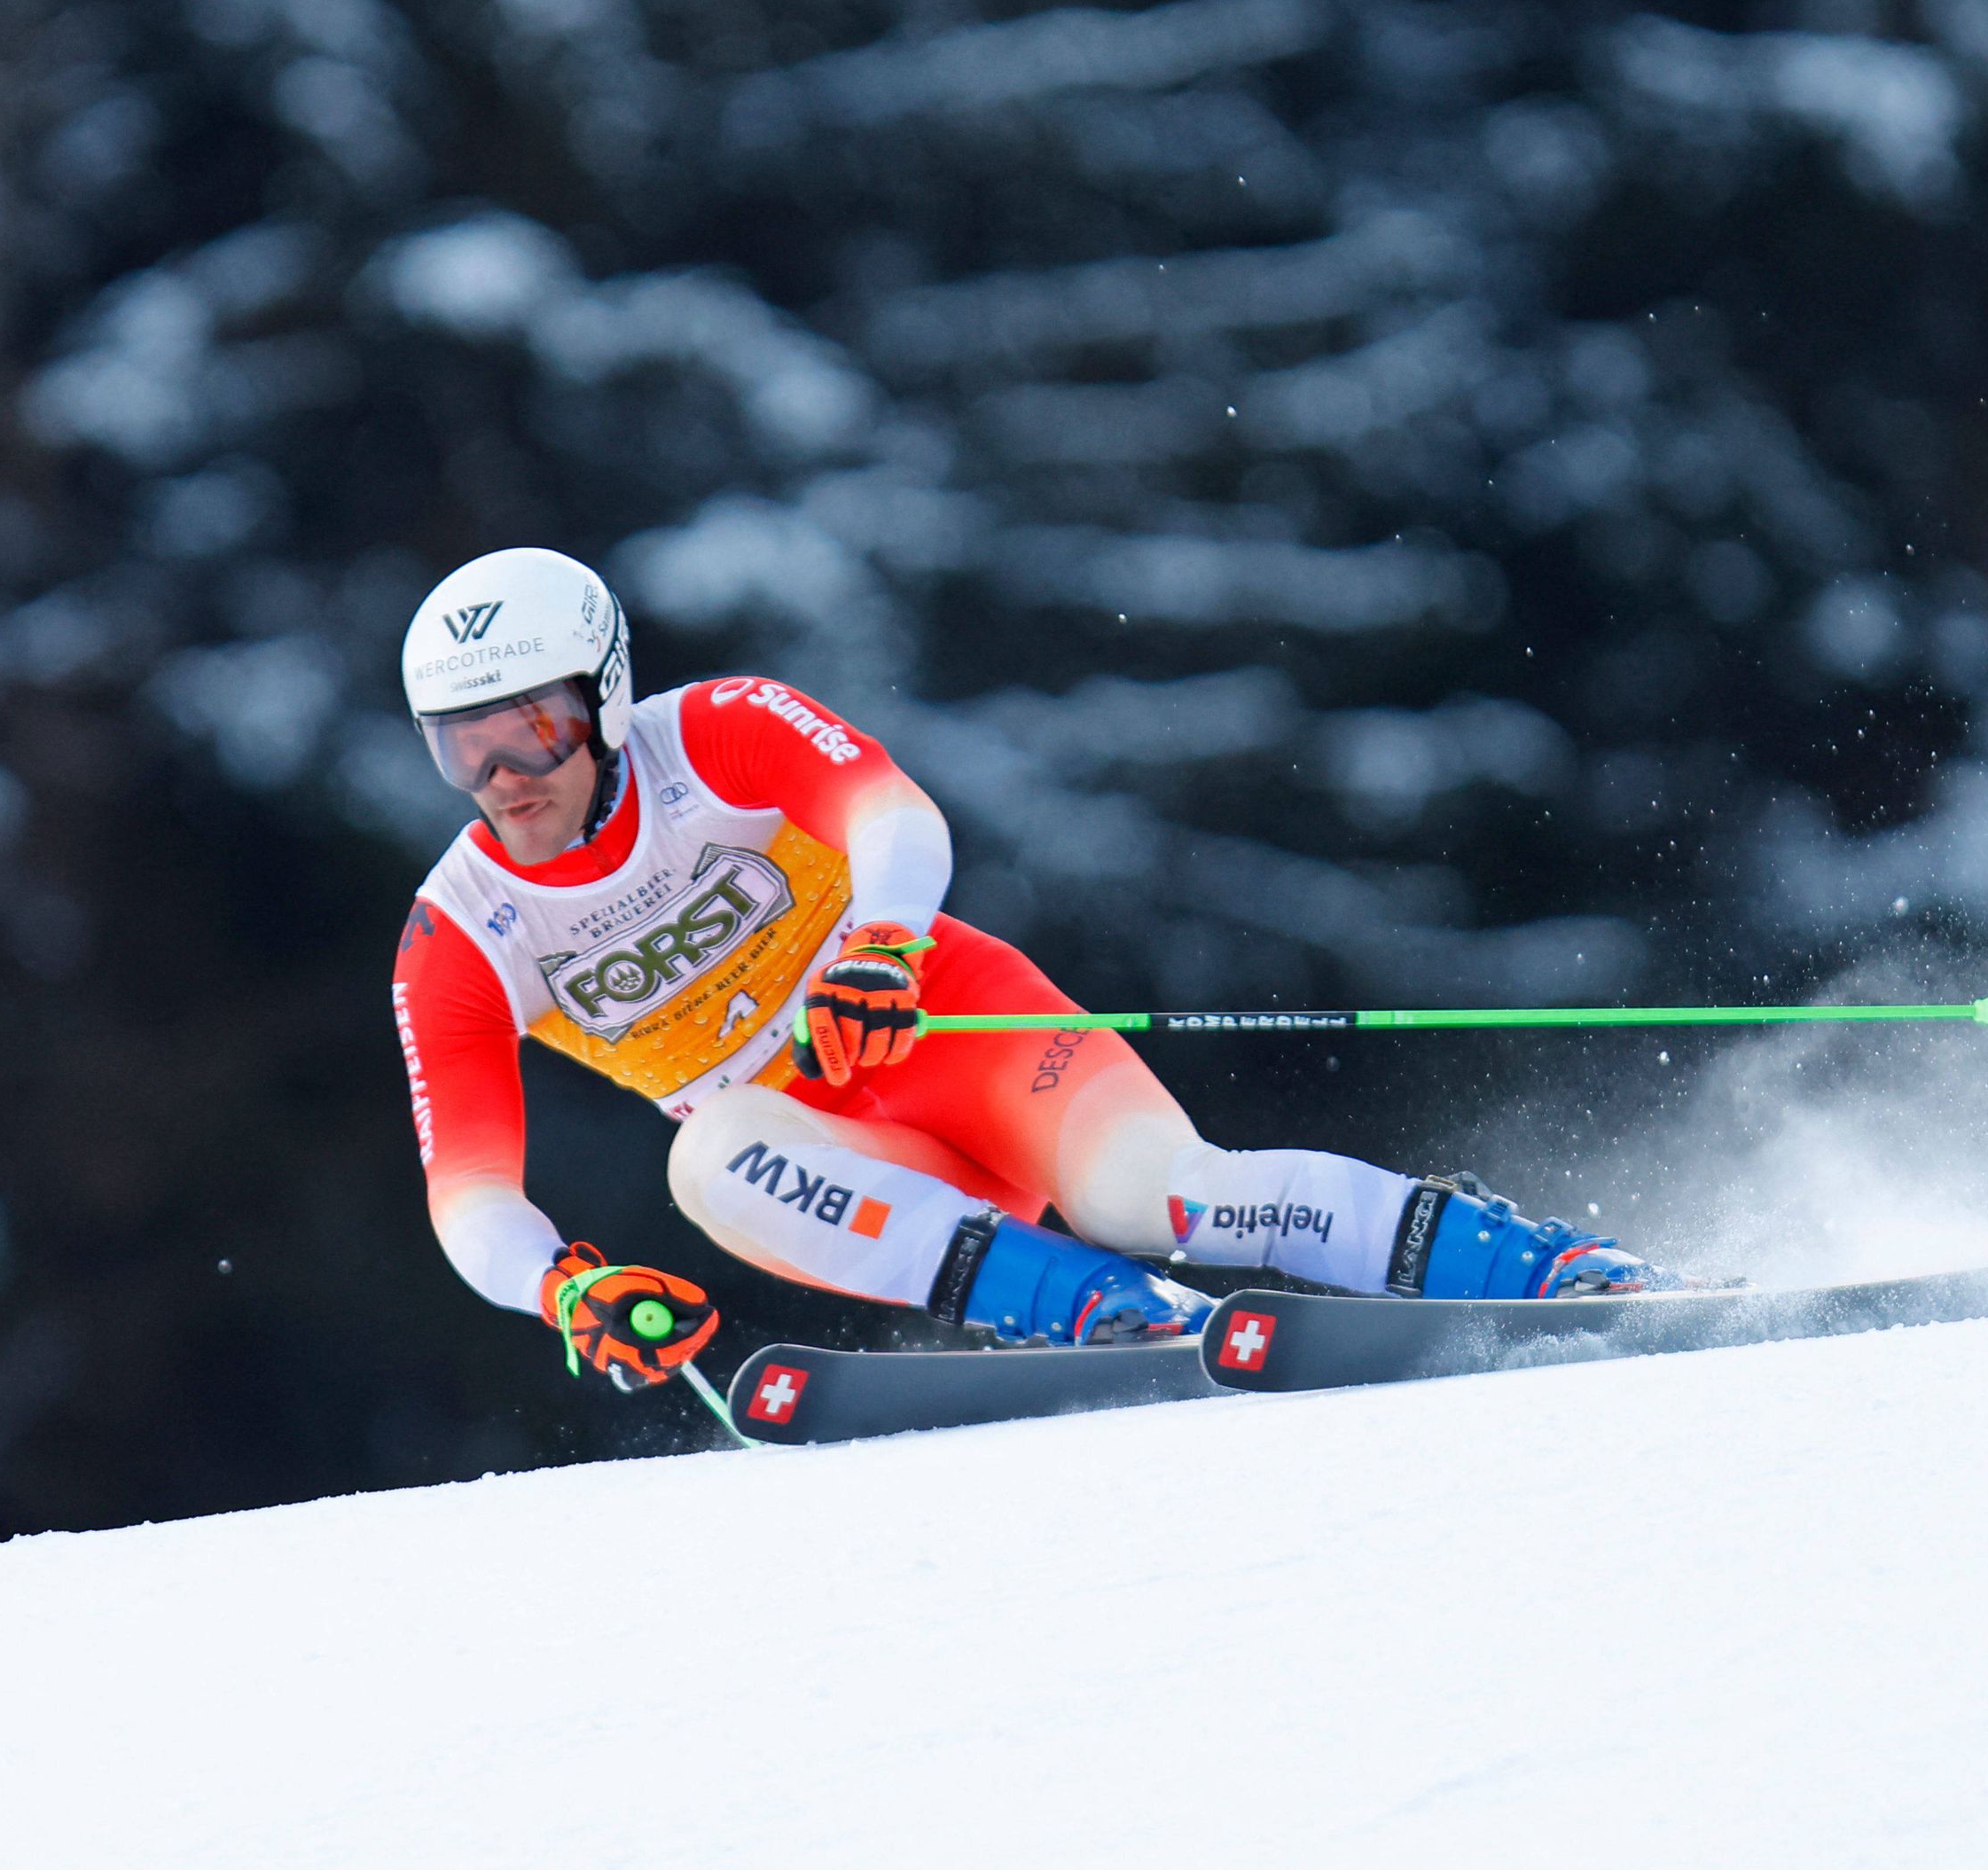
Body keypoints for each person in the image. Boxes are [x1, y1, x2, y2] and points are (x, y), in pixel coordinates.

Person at [387, 546, 1673, 1391]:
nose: (509, 781)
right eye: (464, 754)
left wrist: (880, 948)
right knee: (711, 1157)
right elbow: (467, 1201)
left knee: (1165, 1196)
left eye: (537, 731)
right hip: (825, 1157)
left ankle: (1547, 1274)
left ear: (604, 700)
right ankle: (1111, 1316)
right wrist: (562, 1287)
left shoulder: (714, 730)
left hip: (951, 1030)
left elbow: (895, 817)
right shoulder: (459, 934)